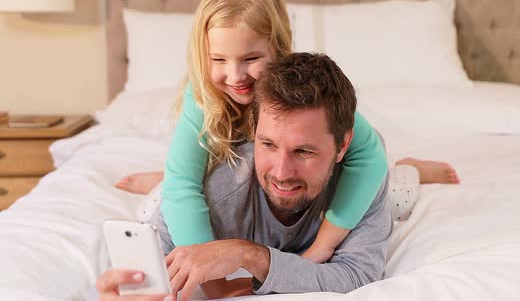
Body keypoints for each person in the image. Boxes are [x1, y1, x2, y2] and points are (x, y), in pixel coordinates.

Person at [114, 0, 459, 264]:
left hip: (311, 177)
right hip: (234, 170)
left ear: (278, 49)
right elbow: (182, 187)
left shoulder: (303, 89)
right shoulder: (202, 95)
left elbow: (369, 156)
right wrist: (207, 259)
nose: (235, 76)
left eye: (250, 58)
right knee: (163, 202)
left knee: (392, 198)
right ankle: (162, 176)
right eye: (218, 59)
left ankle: (410, 168)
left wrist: (322, 246)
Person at [98, 52, 394, 300]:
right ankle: (158, 178)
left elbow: (356, 277)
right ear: (254, 133)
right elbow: (150, 264)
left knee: (402, 196)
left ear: (343, 145)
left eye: (303, 151)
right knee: (160, 195)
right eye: (268, 144)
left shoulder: (365, 175)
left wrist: (248, 255)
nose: (281, 172)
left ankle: (412, 168)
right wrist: (128, 288)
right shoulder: (219, 187)